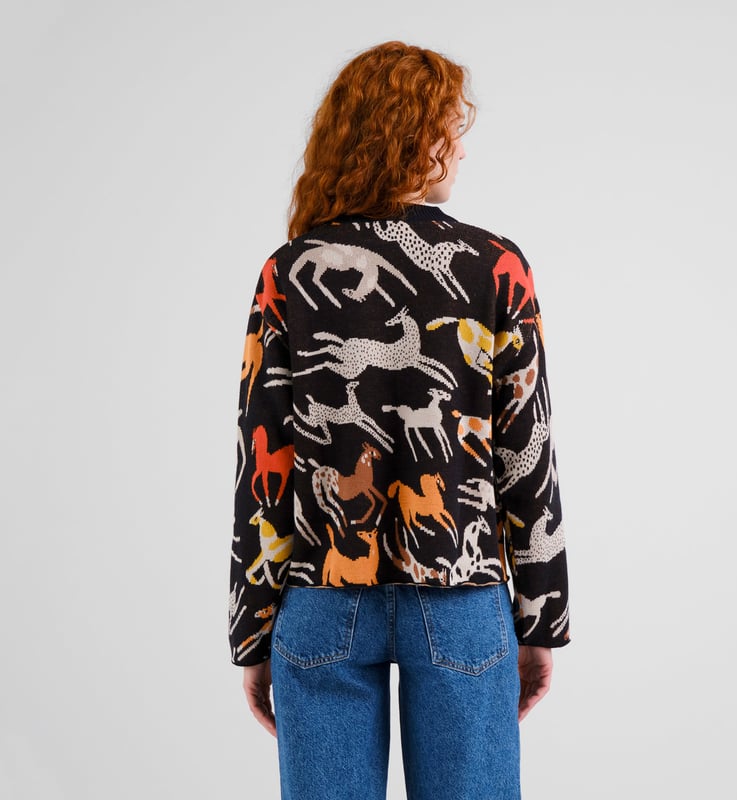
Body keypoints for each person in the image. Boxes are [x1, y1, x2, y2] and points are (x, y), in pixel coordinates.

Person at [228, 40, 570, 800]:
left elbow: (263, 461)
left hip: (321, 592)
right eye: (451, 127)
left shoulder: (288, 271)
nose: (461, 148)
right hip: (461, 595)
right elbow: (527, 448)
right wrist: (540, 617)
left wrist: (251, 628)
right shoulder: (496, 267)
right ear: (413, 135)